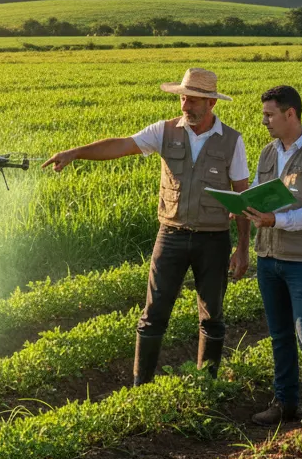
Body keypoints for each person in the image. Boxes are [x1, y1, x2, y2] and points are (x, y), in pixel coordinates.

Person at [42, 68, 251, 385]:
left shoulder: (232, 141)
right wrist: (77, 153)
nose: (185, 106)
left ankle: (206, 385)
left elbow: (242, 197)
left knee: (212, 317)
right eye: (183, 98)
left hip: (214, 240)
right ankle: (142, 388)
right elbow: (121, 145)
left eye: (193, 100)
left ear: (211, 103)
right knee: (153, 316)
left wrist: (243, 247)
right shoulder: (164, 131)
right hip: (171, 236)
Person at [239, 85, 302, 426]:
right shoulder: (268, 153)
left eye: (269, 115)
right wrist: (243, 205)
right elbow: (259, 192)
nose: (264, 121)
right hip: (269, 256)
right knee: (279, 335)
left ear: (290, 114)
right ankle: (285, 402)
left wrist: (276, 220)